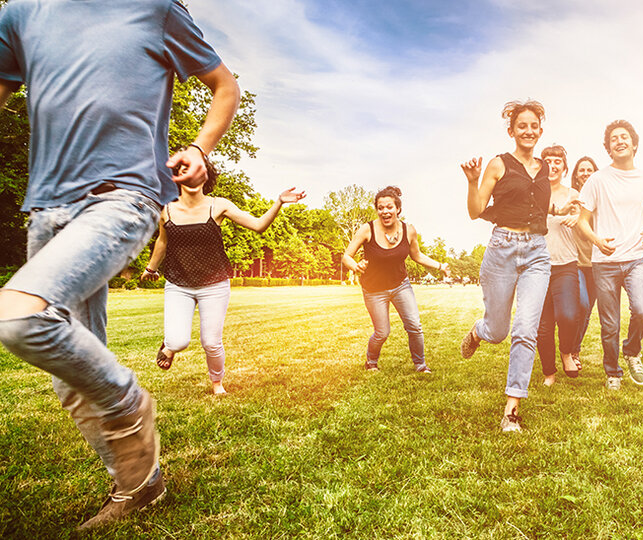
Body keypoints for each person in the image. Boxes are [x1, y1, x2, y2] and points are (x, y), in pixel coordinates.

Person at [0, 0, 239, 528]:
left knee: (19, 315)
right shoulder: (19, 15)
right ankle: (139, 483)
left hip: (123, 195)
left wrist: (200, 147)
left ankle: (128, 403)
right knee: (71, 379)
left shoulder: (154, 9)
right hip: (44, 209)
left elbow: (226, 85)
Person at [142, 175, 305, 395]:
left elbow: (258, 226)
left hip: (214, 284)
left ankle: (217, 383)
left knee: (211, 342)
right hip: (179, 283)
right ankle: (170, 344)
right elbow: (163, 240)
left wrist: (279, 202)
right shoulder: (168, 210)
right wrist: (151, 268)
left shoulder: (218, 205)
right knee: (178, 341)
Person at [459, 99, 554, 432]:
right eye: (521, 126)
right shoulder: (498, 165)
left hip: (538, 254)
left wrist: (566, 209)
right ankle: (479, 331)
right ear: (512, 131)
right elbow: (475, 210)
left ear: (540, 131)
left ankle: (511, 409)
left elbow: (540, 205)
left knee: (526, 329)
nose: (528, 131)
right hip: (502, 250)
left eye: (534, 126)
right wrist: (473, 181)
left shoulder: (545, 169)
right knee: (498, 332)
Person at [574, 120, 643, 391]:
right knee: (609, 324)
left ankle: (632, 350)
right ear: (608, 148)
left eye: (624, 137)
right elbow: (582, 220)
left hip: (636, 257)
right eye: (613, 139)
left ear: (634, 144)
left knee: (642, 310)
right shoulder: (597, 180)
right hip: (605, 263)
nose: (619, 141)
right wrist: (597, 240)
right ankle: (613, 371)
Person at [341, 186, 449, 373]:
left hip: (401, 285)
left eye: (389, 207)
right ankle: (371, 362)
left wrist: (440, 266)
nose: (385, 211)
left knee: (414, 326)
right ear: (377, 210)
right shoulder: (367, 229)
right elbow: (346, 257)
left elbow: (417, 256)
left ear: (398, 208)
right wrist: (355, 266)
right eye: (380, 208)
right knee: (382, 332)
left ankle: (420, 366)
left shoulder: (409, 231)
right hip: (374, 290)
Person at [536, 145, 582, 386]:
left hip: (565, 264)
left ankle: (566, 351)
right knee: (542, 327)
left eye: (557, 161)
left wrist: (578, 217)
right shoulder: (533, 193)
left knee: (568, 315)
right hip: (537, 267)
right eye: (547, 161)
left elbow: (583, 221)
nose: (552, 165)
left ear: (564, 167)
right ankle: (549, 372)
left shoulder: (573, 194)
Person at [570, 156, 599, 369]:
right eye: (582, 170)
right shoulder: (572, 198)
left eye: (590, 169)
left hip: (597, 263)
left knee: (587, 312)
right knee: (582, 304)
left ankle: (574, 350)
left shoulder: (602, 199)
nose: (586, 173)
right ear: (576, 174)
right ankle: (569, 348)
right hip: (575, 262)